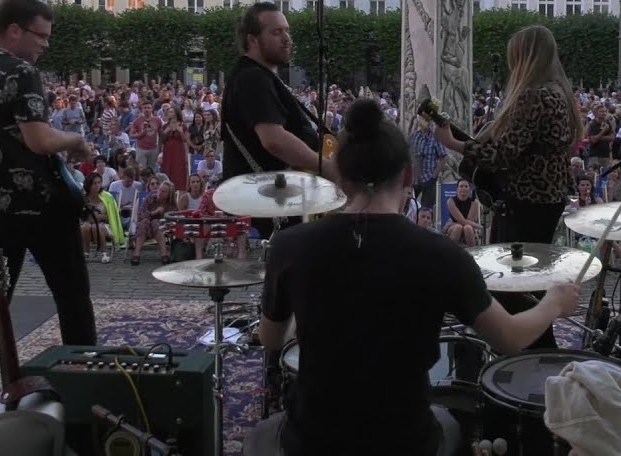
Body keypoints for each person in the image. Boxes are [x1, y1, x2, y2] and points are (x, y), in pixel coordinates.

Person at [243, 99, 579, 456]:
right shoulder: (441, 254)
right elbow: (510, 338)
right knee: (450, 426)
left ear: (339, 174)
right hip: (406, 441)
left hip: (312, 441)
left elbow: (271, 339)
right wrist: (552, 304)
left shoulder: (290, 245)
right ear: (408, 176)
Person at [0, 0, 98, 413]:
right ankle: (84, 386)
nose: (45, 45)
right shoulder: (22, 72)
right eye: (41, 35)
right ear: (14, 30)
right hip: (39, 207)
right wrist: (76, 141)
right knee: (71, 297)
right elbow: (39, 139)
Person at [435, 24, 582, 349]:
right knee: (528, 281)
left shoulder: (534, 96)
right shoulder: (559, 93)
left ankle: (531, 356)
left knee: (514, 285)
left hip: (525, 200)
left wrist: (454, 143)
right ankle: (531, 352)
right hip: (547, 198)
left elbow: (502, 155)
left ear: (526, 57)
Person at [220, 2, 337, 236]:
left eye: (287, 31)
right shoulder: (253, 78)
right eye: (276, 32)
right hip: (267, 214)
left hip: (272, 206)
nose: (286, 38)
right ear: (253, 40)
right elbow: (274, 139)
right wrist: (327, 168)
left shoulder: (259, 76)